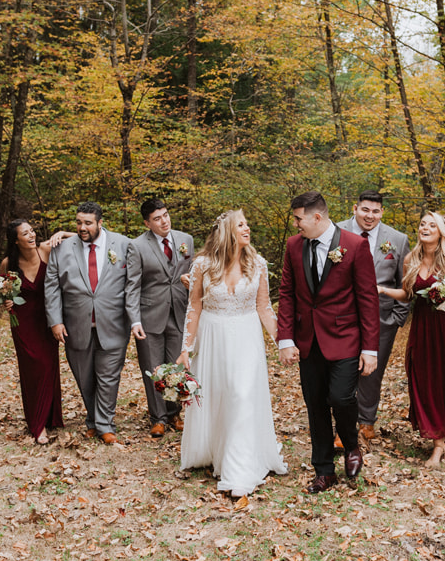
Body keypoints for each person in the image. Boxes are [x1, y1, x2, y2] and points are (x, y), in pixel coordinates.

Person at [176, 210, 288, 496]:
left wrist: (282, 342)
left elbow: (264, 307)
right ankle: (216, 451)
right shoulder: (203, 264)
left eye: (247, 223)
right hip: (213, 337)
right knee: (219, 395)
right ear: (227, 231)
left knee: (240, 394)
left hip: (247, 339)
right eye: (241, 224)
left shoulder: (257, 263)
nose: (247, 228)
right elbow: (195, 307)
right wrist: (186, 348)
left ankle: (238, 471)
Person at [276, 191, 380, 494]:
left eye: (298, 218)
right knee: (315, 406)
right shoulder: (294, 246)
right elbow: (286, 292)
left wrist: (369, 349)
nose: (295, 224)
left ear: (316, 217)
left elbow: (368, 299)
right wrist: (285, 338)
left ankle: (351, 446)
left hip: (345, 338)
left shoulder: (354, 245)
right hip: (308, 341)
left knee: (341, 398)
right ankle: (324, 470)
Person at [379, 212, 445, 466]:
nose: (425, 227)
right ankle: (440, 435)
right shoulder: (411, 258)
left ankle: (439, 444)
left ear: (441, 231)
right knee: (422, 378)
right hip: (423, 327)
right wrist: (382, 290)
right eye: (422, 223)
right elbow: (408, 293)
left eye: (432, 225)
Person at [44, 202, 132, 444]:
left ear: (100, 223)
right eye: (78, 222)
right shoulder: (61, 249)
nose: (82, 227)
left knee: (108, 377)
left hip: (113, 324)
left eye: (88, 223)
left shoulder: (123, 245)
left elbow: (132, 284)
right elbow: (51, 286)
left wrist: (133, 318)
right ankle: (94, 419)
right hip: (75, 325)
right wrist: (55, 321)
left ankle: (105, 424)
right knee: (84, 377)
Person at [337, 191, 410, 442]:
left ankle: (366, 422)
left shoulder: (398, 240)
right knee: (342, 369)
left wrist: (397, 318)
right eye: (365, 210)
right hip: (343, 316)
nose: (370, 216)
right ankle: (342, 426)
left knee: (371, 372)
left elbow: (405, 282)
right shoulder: (336, 231)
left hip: (382, 319)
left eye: (376, 211)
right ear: (355, 208)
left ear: (382, 212)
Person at [125, 198, 195, 437]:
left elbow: (193, 277)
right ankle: (158, 418)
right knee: (153, 368)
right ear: (147, 223)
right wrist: (134, 320)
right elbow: (132, 285)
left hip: (179, 312)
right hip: (149, 316)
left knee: (176, 367)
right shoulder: (137, 246)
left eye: (165, 215)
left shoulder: (186, 240)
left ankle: (175, 413)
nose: (164, 221)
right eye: (157, 218)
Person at [0, 220, 74, 444]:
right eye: (25, 233)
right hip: (22, 322)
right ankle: (37, 424)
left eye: (32, 231)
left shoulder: (46, 249)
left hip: (48, 318)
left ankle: (51, 417)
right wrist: (6, 301)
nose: (31, 235)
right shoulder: (8, 263)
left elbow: (81, 237)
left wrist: (62, 231)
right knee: (32, 368)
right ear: (16, 240)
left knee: (48, 366)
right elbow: (4, 291)